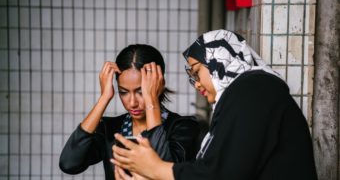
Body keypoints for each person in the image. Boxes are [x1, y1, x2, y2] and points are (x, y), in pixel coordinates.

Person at [112, 30, 318, 180]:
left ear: (218, 58)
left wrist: (155, 168)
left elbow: (219, 173)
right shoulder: (245, 95)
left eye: (196, 71)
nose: (197, 83)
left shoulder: (253, 88)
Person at [59, 44, 201, 180]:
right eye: (123, 92)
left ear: (158, 84)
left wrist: (151, 100)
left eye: (141, 91)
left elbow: (161, 171)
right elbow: (69, 164)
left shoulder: (183, 127)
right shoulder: (111, 129)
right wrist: (104, 98)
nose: (132, 102)